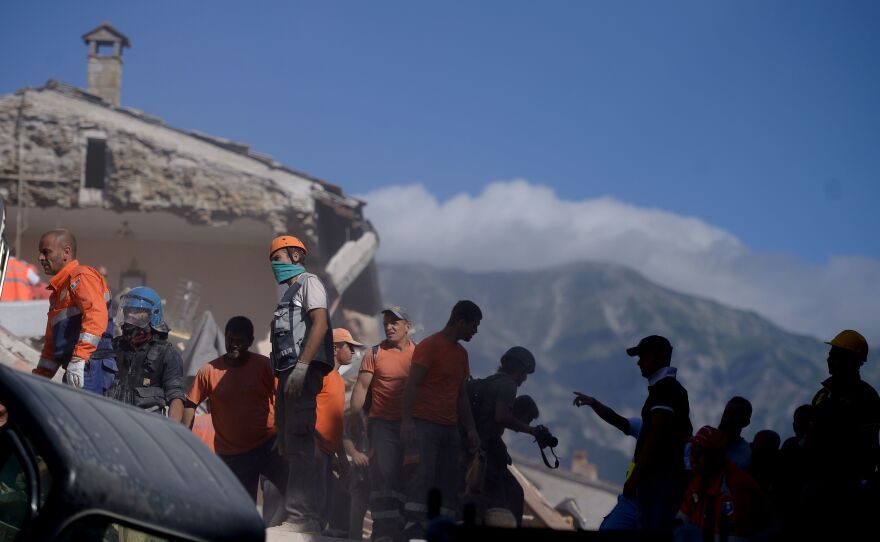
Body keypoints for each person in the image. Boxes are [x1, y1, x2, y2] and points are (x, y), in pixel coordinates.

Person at [268, 235, 334, 534]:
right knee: (288, 443)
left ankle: (303, 516)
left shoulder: (310, 283)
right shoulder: (287, 294)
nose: (274, 266)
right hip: (286, 374)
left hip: (300, 373)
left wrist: (303, 367)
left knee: (300, 439)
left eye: (278, 259)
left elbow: (319, 323)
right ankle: (296, 513)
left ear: (296, 256)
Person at [182, 316, 287, 503]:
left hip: (269, 444)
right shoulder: (209, 371)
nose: (234, 345)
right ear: (225, 338)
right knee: (241, 506)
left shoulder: (264, 366)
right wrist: (183, 437)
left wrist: (284, 434)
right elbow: (190, 404)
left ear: (250, 342)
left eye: (240, 341)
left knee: (294, 489)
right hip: (232, 454)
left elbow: (283, 399)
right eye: (231, 340)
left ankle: (314, 521)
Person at [401, 300, 482, 537]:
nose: (475, 331)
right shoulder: (429, 346)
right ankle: (414, 527)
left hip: (450, 428)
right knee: (422, 475)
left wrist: (471, 429)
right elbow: (412, 384)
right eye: (473, 326)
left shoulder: (462, 355)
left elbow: (462, 395)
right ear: (460, 322)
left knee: (449, 478)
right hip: (424, 424)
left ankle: (440, 526)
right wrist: (406, 421)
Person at [605, 335, 692, 533]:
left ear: (659, 357)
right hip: (660, 484)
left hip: (659, 484)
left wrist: (634, 479)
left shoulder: (666, 389)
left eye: (643, 356)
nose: (639, 362)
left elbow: (656, 435)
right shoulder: (664, 389)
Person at [800, 330, 880, 538]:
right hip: (817, 483)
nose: (829, 358)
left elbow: (868, 446)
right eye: (831, 353)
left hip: (846, 489)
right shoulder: (823, 394)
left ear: (853, 360)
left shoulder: (866, 397)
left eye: (835, 354)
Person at [349, 306, 415, 542]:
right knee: (384, 478)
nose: (388, 326)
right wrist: (356, 420)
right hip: (382, 426)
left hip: (411, 427)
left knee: (407, 477)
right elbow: (361, 389)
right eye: (386, 322)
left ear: (407, 327)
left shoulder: (418, 355)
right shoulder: (374, 354)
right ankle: (383, 531)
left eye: (394, 322)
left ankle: (403, 529)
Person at [468, 346, 546, 526]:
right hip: (484, 452)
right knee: (513, 493)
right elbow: (501, 417)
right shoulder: (508, 385)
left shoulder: (490, 381)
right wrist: (533, 431)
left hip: (475, 447)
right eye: (525, 373)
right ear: (518, 369)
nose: (525, 378)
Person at [32, 229, 116, 394]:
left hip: (91, 367)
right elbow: (52, 346)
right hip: (78, 368)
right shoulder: (57, 293)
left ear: (66, 252)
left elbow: (96, 315)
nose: (40, 258)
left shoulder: (81, 277)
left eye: (46, 252)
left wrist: (80, 357)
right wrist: (37, 380)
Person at [676, 426, 772, 542]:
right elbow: (681, 521)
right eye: (693, 450)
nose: (693, 458)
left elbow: (736, 538)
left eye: (701, 453)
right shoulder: (698, 480)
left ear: (716, 456)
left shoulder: (736, 487)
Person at [108, 287, 185, 422]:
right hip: (110, 423)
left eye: (137, 313)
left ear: (153, 316)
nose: (130, 317)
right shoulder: (113, 347)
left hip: (145, 430)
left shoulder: (167, 355)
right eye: (127, 312)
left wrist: (172, 431)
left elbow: (176, 397)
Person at [315, 328, 361, 536]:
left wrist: (341, 457)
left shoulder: (337, 381)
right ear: (335, 348)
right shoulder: (318, 374)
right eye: (349, 347)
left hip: (325, 454)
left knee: (340, 498)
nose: (353, 352)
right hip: (312, 452)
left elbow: (336, 424)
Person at [683, 396, 753, 471]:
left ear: (745, 423)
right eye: (726, 414)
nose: (727, 419)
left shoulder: (744, 455)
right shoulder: (702, 438)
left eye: (734, 416)